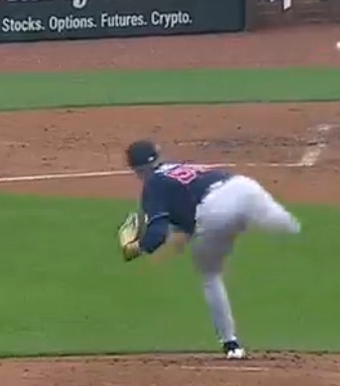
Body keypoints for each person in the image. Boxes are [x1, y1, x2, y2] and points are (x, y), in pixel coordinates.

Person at [117, 139, 301, 360]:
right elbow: (187, 221)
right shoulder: (179, 169)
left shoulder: (154, 184)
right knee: (289, 228)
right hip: (244, 188)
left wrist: (133, 249)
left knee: (210, 276)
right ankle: (307, 236)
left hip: (215, 210)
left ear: (136, 169)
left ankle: (231, 344)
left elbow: (157, 235)